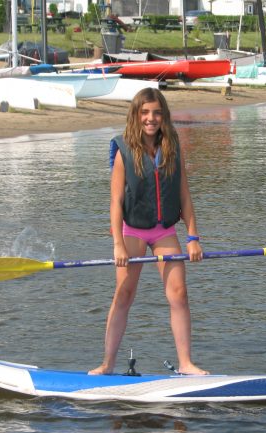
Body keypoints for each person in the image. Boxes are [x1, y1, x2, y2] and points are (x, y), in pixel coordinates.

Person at [89, 88, 208, 376]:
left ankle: (186, 364)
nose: (150, 118)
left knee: (179, 294)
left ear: (163, 116)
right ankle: (107, 364)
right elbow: (116, 202)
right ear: (136, 116)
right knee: (124, 293)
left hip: (164, 231)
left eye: (156, 113)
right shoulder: (123, 150)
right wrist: (118, 244)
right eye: (144, 113)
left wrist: (193, 237)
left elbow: (184, 196)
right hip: (132, 232)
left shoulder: (172, 147)